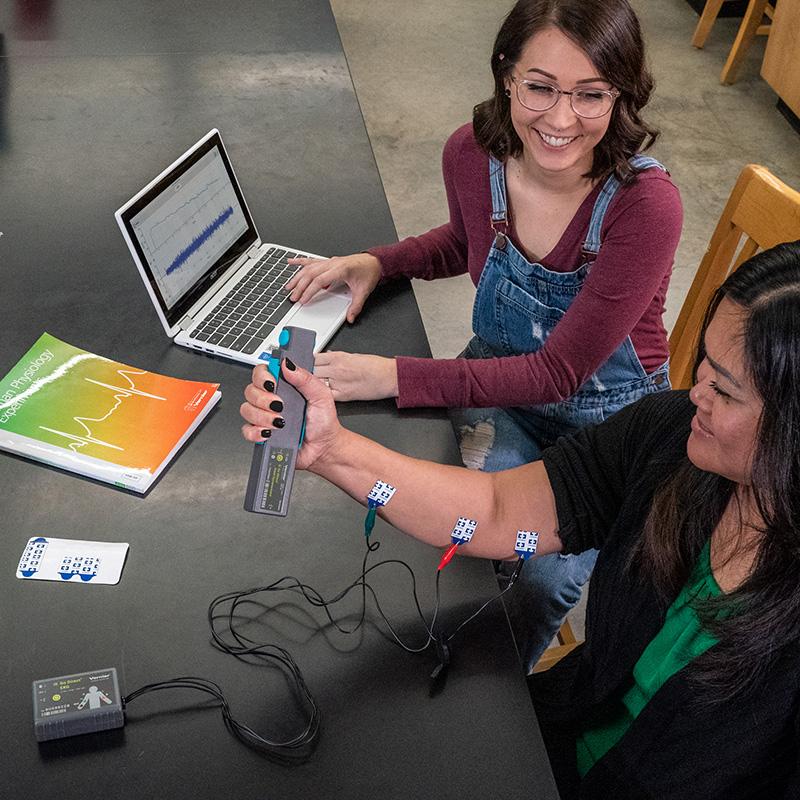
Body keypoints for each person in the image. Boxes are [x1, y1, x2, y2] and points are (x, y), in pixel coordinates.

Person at [241, 239, 800, 798]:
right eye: (705, 362)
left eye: (725, 390)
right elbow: (497, 508)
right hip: (553, 740)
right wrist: (332, 449)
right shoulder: (672, 438)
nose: (696, 391)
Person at [282, 0, 683, 669]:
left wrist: (397, 375)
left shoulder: (644, 205)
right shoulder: (472, 154)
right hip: (498, 395)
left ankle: (504, 705)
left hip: (609, 431)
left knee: (539, 578)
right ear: (506, 75)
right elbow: (464, 240)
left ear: (623, 94)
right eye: (540, 86)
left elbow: (559, 374)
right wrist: (381, 261)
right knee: (432, 524)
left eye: (591, 95)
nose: (560, 119)